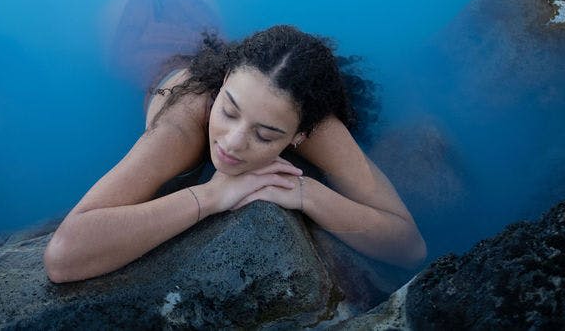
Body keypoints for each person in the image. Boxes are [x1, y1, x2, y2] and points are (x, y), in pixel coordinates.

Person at [44, 23, 426, 283]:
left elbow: (410, 247)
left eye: (265, 135)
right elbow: (63, 256)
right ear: (226, 80)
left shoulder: (309, 121)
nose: (231, 142)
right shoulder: (182, 127)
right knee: (119, 19)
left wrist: (306, 193)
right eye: (228, 111)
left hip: (233, 61)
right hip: (149, 64)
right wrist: (210, 196)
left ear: (299, 136)